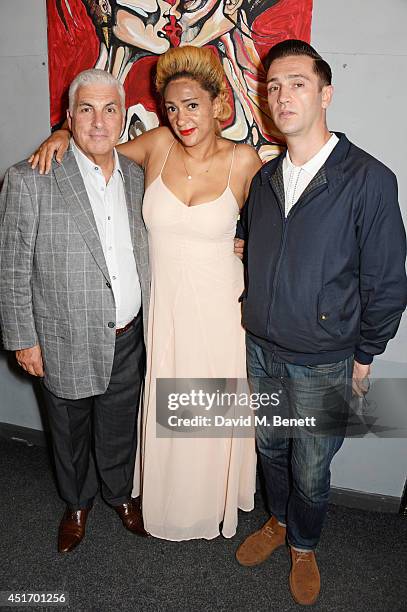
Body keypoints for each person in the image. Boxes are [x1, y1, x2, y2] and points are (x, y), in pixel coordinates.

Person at [29, 45, 261, 540]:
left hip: (220, 310)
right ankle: (166, 502)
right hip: (163, 309)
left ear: (218, 103)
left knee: (209, 411)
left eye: (192, 105)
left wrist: (250, 247)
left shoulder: (245, 161)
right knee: (165, 407)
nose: (181, 118)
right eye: (172, 107)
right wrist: (62, 131)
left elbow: (280, 230)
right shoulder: (156, 145)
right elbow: (96, 153)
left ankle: (207, 505)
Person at [234, 39, 407, 605]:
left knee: (312, 465)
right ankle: (279, 522)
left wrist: (366, 353)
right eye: (274, 87)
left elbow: (386, 281)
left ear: (326, 93)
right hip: (260, 347)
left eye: (298, 84)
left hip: (325, 359)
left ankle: (304, 545)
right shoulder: (263, 180)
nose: (283, 96)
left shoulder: (369, 180)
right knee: (271, 451)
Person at [0, 69, 150, 553]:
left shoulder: (137, 175)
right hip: (61, 335)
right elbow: (11, 265)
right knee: (68, 433)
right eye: (86, 109)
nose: (99, 121)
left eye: (110, 109)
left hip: (129, 335)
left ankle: (119, 495)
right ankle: (77, 503)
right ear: (69, 116)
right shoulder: (30, 178)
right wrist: (23, 339)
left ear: (123, 116)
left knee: (118, 425)